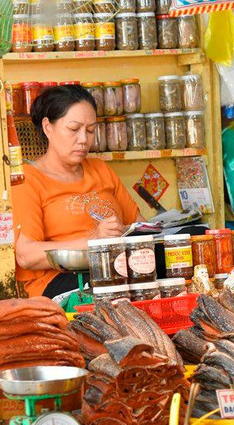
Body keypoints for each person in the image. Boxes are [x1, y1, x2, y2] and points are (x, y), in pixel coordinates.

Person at [12, 84, 144, 300]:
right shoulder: (28, 180)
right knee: (115, 291)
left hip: (115, 270)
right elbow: (26, 255)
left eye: (90, 130)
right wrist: (94, 242)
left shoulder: (101, 169)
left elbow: (140, 227)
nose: (84, 139)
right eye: (74, 129)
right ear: (48, 127)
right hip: (61, 282)